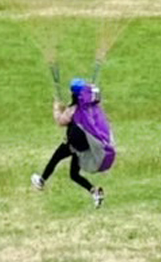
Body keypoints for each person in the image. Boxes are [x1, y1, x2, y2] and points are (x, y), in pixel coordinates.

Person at [32, 78, 107, 207]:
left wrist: (56, 107)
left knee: (55, 158)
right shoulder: (92, 107)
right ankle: (94, 192)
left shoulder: (73, 110)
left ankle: (42, 180)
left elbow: (61, 121)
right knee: (74, 174)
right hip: (84, 147)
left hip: (73, 145)